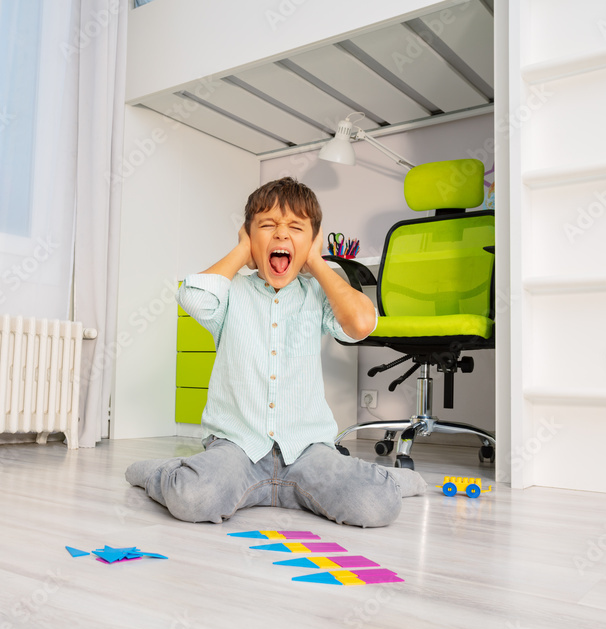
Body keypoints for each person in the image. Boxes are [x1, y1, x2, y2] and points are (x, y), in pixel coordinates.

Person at [125, 177, 427, 527]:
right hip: (238, 449)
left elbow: (361, 323)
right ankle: (163, 474)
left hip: (307, 451)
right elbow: (193, 297)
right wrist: (243, 250)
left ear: (312, 240)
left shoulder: (316, 293)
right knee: (194, 498)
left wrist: (316, 261)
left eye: (296, 228)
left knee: (376, 505)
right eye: (267, 226)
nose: (281, 235)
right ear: (249, 236)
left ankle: (363, 482)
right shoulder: (232, 292)